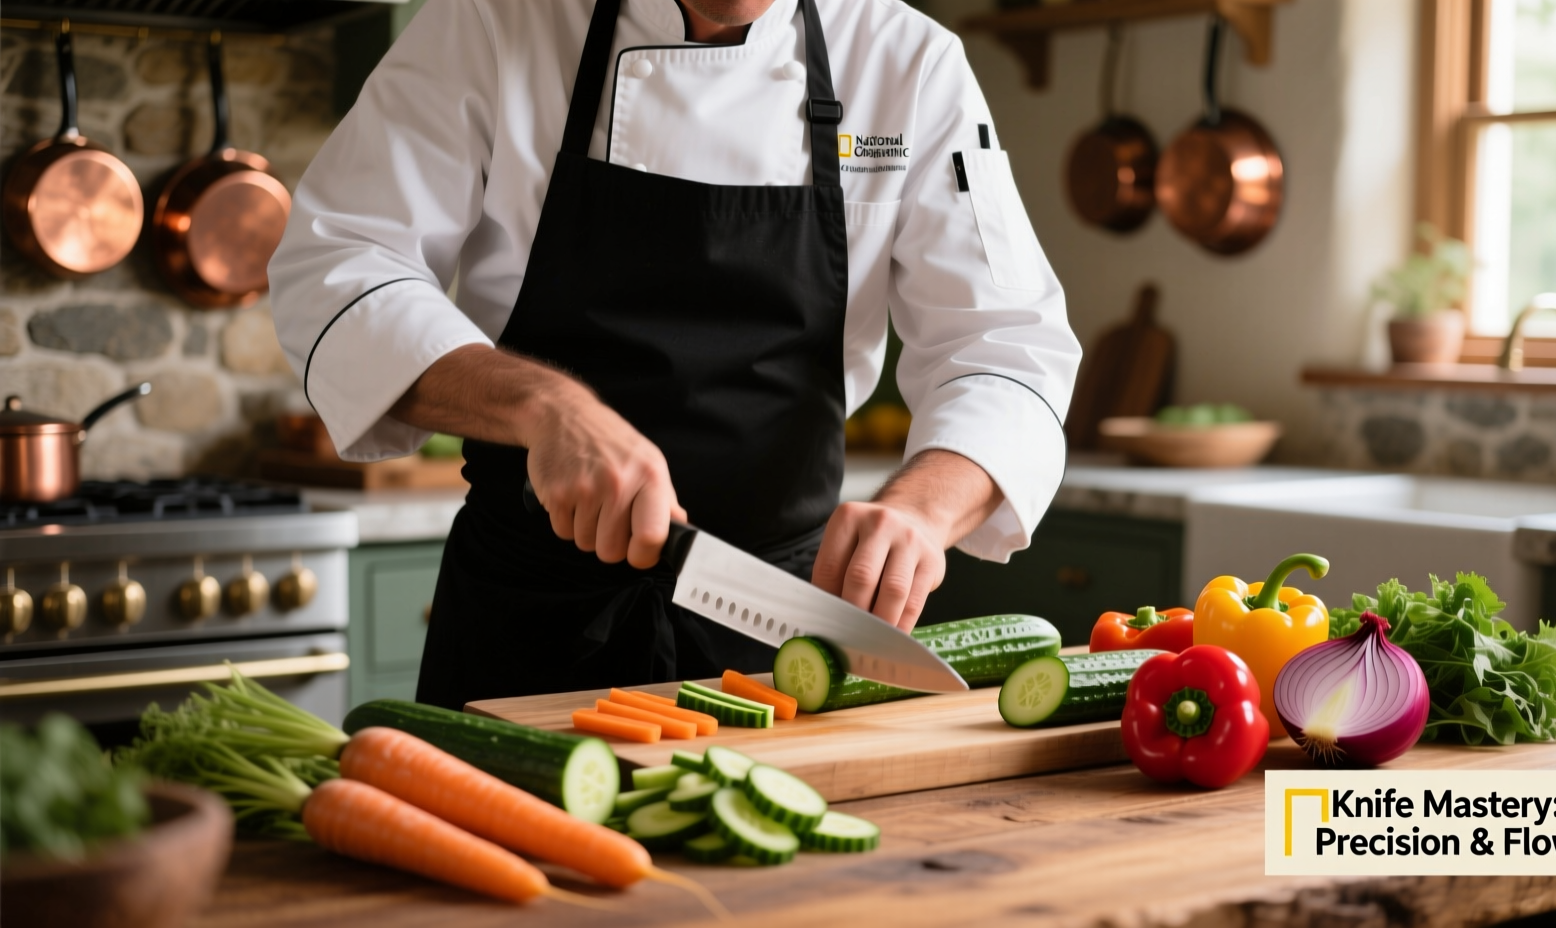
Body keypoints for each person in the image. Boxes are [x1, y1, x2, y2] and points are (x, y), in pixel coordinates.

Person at [269, 0, 1080, 710]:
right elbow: (338, 264)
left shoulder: (908, 61)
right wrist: (546, 408)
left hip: (784, 637)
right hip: (525, 624)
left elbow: (1006, 340)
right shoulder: (494, 18)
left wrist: (922, 511)